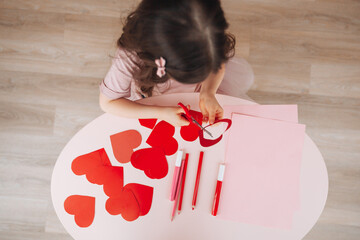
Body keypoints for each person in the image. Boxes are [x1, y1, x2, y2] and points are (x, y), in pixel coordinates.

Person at [99, 0, 254, 127]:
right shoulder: (131, 56)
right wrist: (159, 113)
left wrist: (208, 91)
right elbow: (109, 103)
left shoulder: (206, 35)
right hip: (151, 101)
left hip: (200, 94)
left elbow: (218, 65)